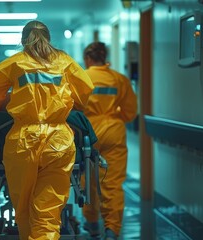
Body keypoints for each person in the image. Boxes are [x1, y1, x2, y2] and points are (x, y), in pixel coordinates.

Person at [0, 20, 94, 240]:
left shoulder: (17, 62)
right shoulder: (65, 62)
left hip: (23, 142)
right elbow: (83, 94)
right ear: (48, 38)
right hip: (58, 141)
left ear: (23, 40)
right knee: (48, 213)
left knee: (23, 210)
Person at [81, 42, 138, 240]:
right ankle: (112, 229)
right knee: (112, 183)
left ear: (88, 59)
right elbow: (130, 112)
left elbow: (71, 108)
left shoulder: (81, 78)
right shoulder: (119, 79)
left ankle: (92, 222)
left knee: (87, 179)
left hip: (87, 134)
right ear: (104, 57)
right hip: (114, 132)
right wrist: (113, 118)